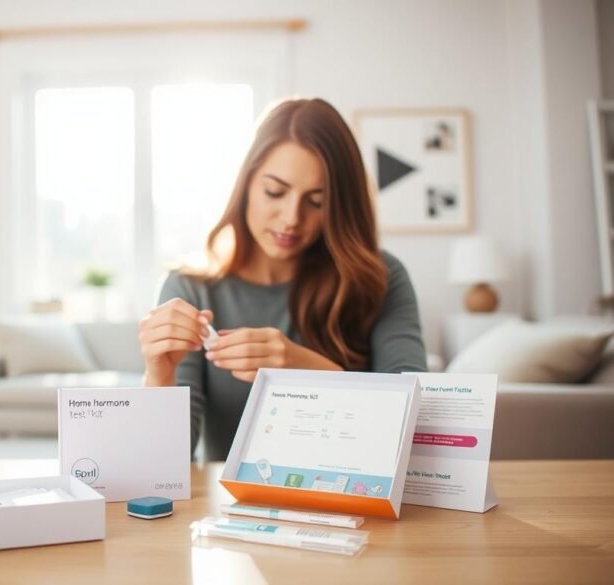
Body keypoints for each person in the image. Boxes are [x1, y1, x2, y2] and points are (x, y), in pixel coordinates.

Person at [138, 98, 427, 461]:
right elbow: (166, 461)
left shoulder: (379, 277)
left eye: (316, 201)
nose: (292, 218)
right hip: (226, 499)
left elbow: (413, 425)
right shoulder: (190, 288)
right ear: (245, 184)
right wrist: (158, 376)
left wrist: (306, 368)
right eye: (275, 192)